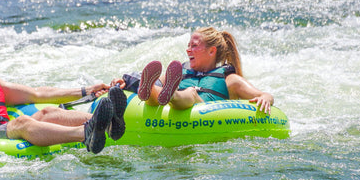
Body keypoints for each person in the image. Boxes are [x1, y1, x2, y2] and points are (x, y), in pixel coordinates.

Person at [111, 27, 274, 114]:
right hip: (171, 109)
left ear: (212, 51)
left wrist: (266, 98)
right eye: (188, 45)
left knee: (191, 93)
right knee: (155, 88)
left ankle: (171, 94)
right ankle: (151, 91)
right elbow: (157, 80)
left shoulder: (229, 80)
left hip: (204, 110)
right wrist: (126, 83)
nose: (188, 50)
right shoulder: (182, 72)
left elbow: (264, 95)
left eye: (194, 46)